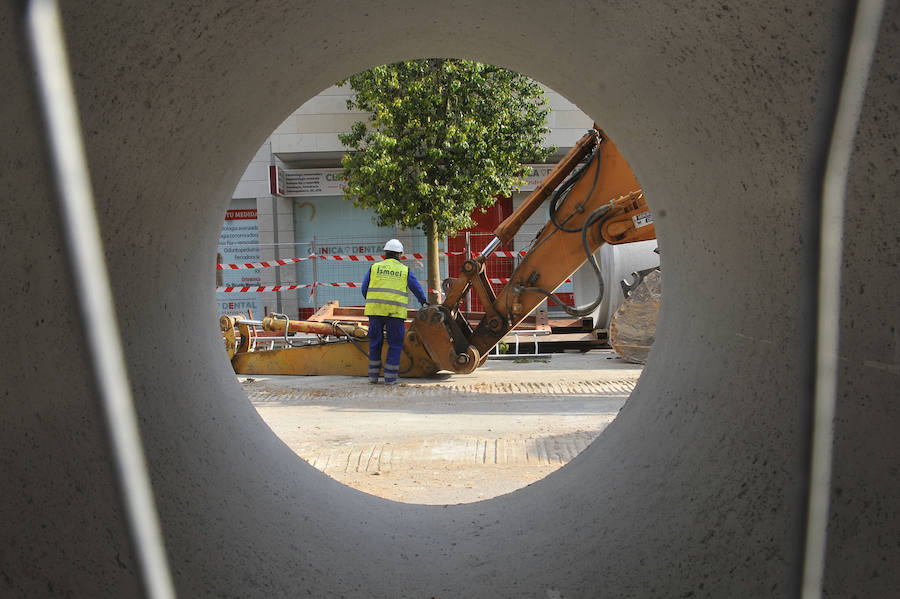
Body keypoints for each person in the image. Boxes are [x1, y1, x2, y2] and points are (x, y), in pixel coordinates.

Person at [361, 239, 428, 384]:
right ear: (400, 254)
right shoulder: (404, 270)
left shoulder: (374, 267)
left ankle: (373, 377)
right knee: (395, 344)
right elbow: (415, 288)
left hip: (375, 312)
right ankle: (390, 378)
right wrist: (423, 301)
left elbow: (364, 288)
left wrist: (373, 301)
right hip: (395, 313)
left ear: (385, 253)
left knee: (375, 343)